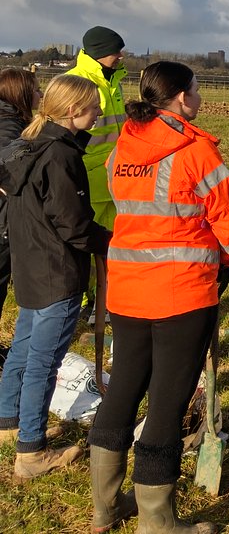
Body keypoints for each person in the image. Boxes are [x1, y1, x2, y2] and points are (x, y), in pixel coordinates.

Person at [88, 61, 229, 534]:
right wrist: (225, 264)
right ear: (180, 98)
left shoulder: (123, 145)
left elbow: (121, 200)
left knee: (122, 389)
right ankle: (156, 521)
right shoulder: (198, 152)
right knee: (166, 405)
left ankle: (104, 508)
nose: (199, 97)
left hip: (126, 290)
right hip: (182, 294)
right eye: (195, 89)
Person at [0, 75, 107, 479]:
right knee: (43, 364)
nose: (98, 113)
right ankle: (31, 451)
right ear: (73, 110)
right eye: (93, 107)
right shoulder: (61, 156)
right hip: (57, 274)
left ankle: (8, 423)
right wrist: (111, 241)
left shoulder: (25, 145)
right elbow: (73, 225)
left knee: (22, 352)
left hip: (29, 268)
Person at [65, 25, 127, 230]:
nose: (121, 56)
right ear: (101, 52)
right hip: (88, 174)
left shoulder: (114, 80)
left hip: (116, 170)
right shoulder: (75, 82)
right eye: (116, 51)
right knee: (88, 232)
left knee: (114, 234)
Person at [0, 68, 41, 367]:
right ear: (21, 94)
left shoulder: (12, 122)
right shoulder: (9, 127)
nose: (40, 94)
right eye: (36, 89)